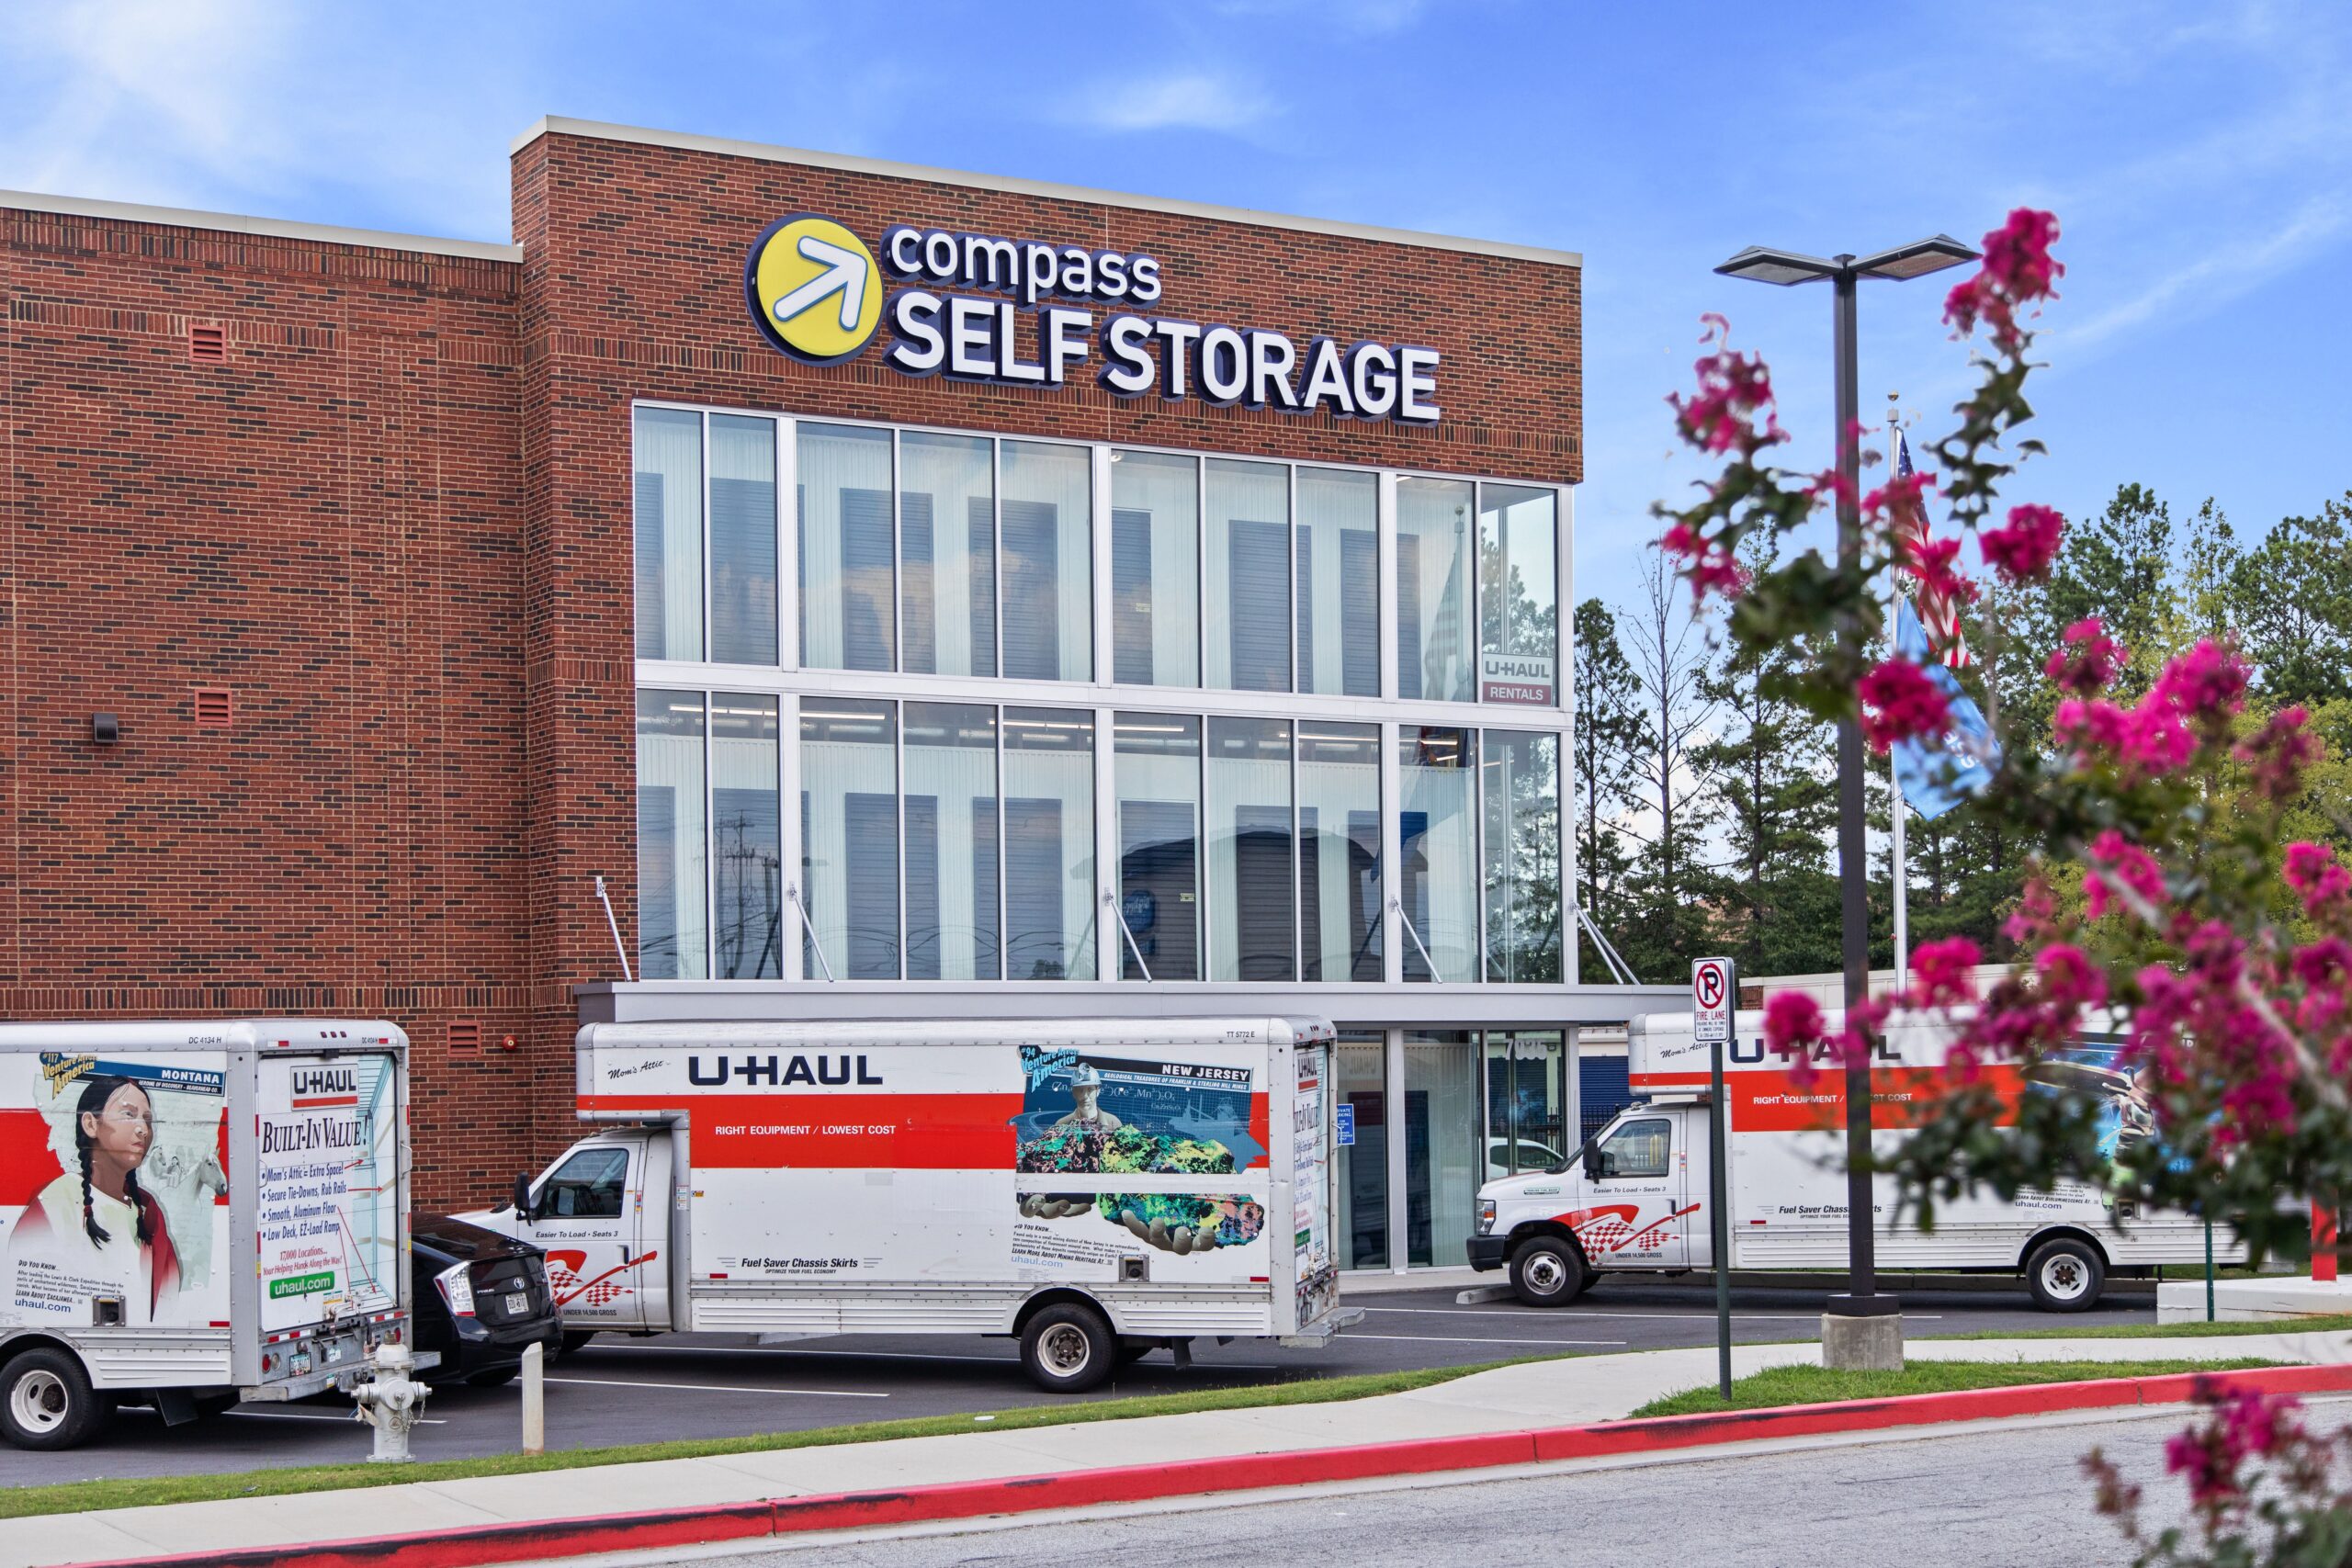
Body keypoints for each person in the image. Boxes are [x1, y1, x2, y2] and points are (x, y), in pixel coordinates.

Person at [10, 1075, 181, 1315]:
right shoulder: (56, 1201)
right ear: (90, 1124)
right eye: (129, 1115)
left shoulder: (149, 1212)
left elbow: (169, 1300)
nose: (143, 1129)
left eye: (148, 1119)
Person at [1048, 1066, 1122, 1133]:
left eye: (1090, 1090)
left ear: (1098, 1091)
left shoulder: (1114, 1123)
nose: (1085, 1096)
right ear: (1073, 1092)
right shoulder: (1061, 1125)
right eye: (1080, 1090)